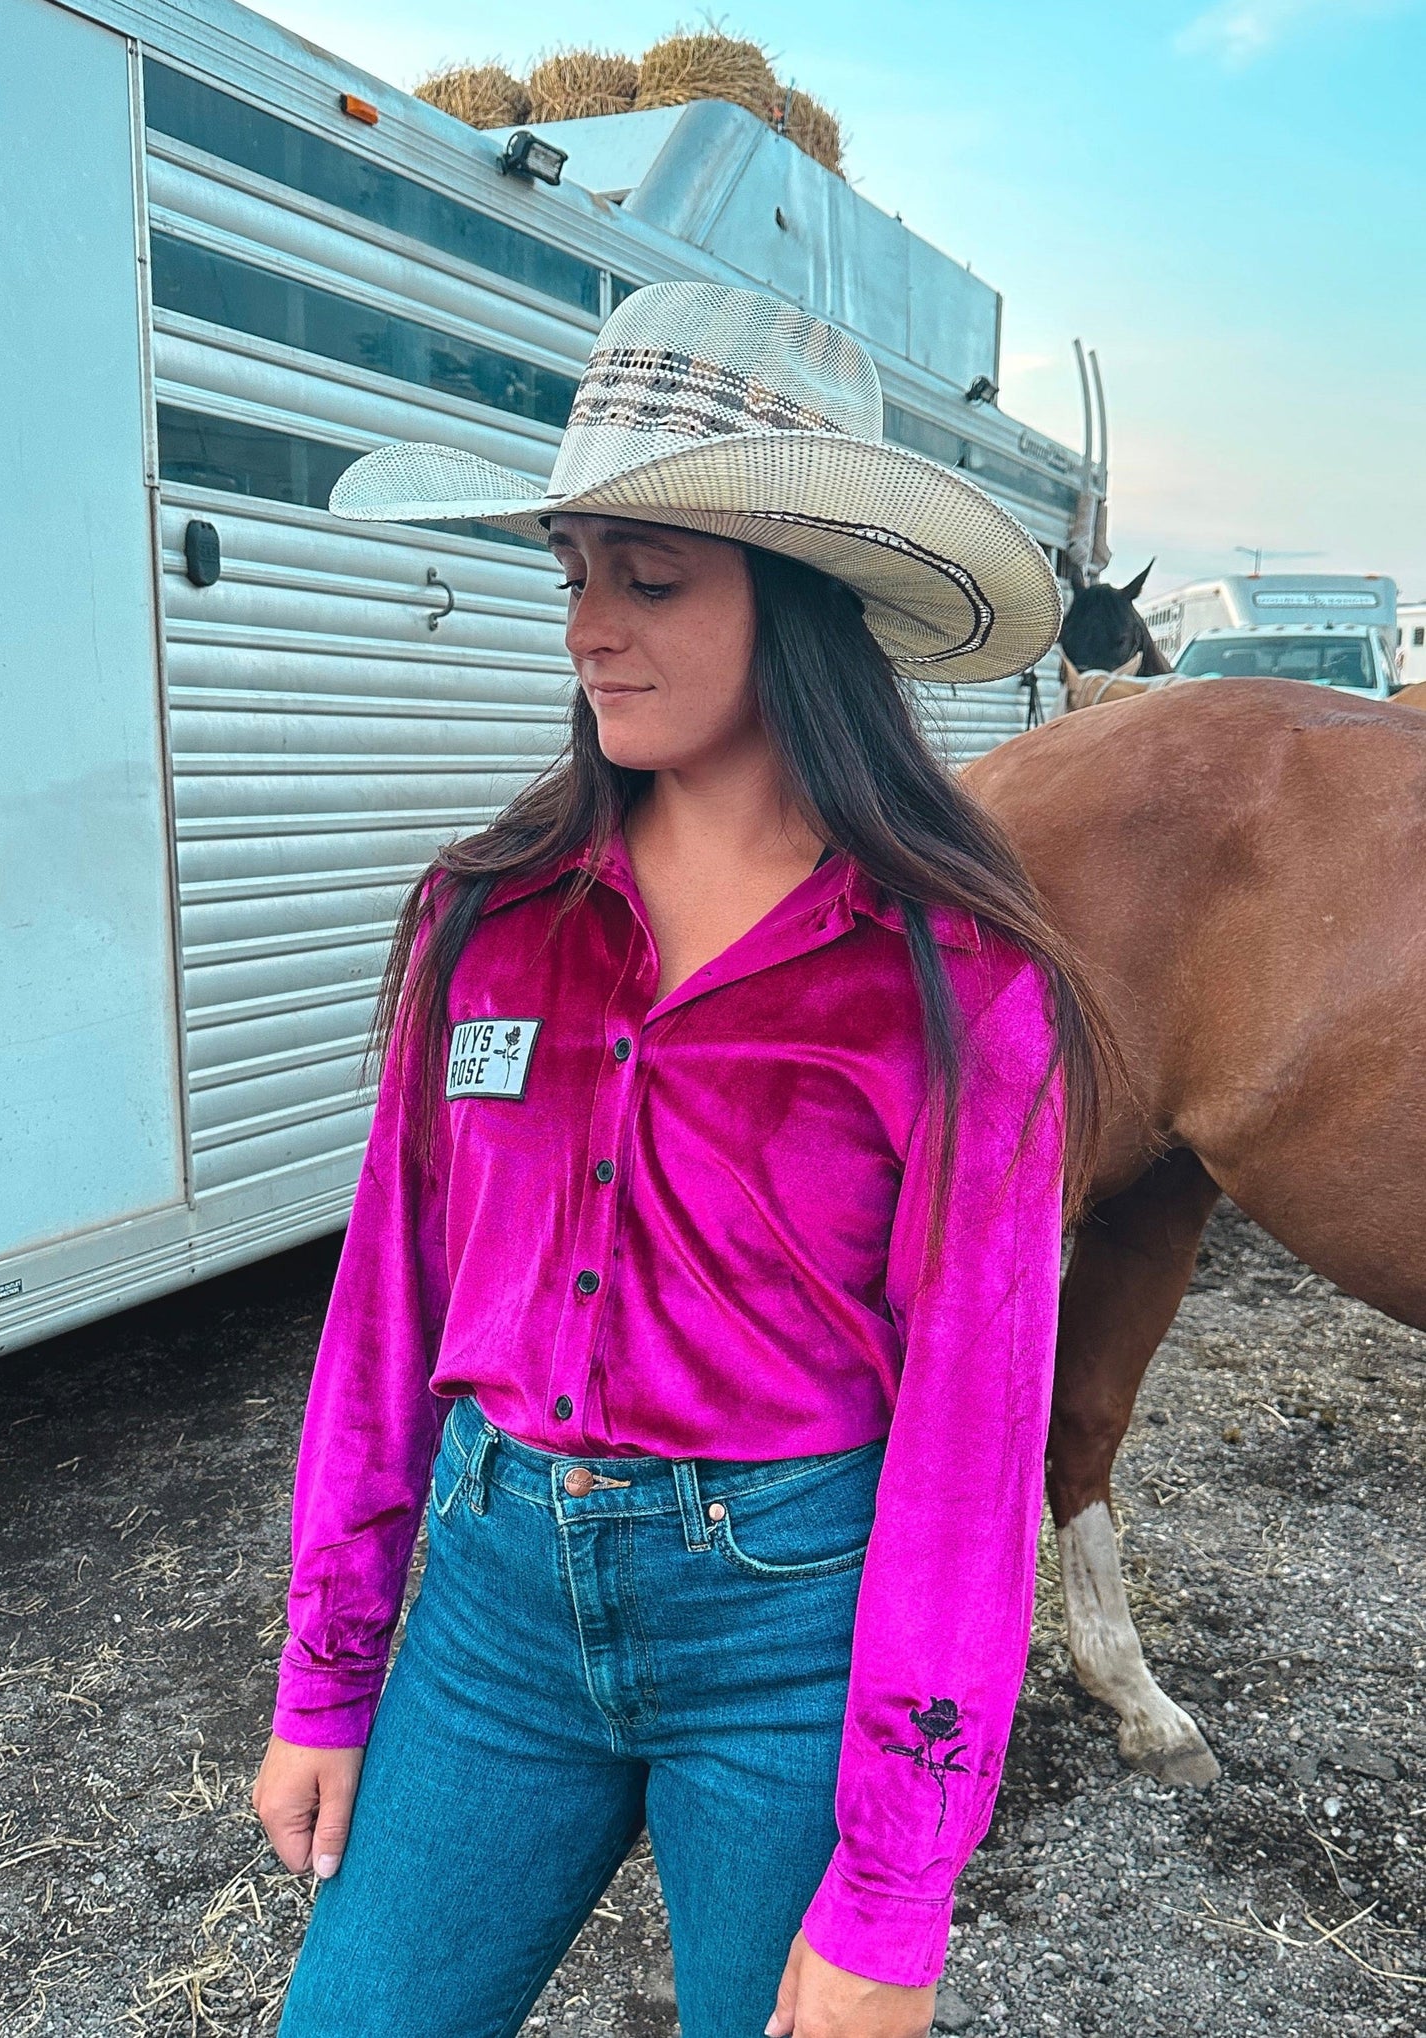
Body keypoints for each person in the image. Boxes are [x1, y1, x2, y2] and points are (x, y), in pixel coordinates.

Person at [253, 281, 1113, 2038]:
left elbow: (969, 1447)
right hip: (489, 1612)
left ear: (795, 602)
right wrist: (325, 1674)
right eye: (573, 573)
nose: (589, 628)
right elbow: (385, 1307)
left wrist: (896, 1889)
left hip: (792, 1636)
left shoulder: (954, 982)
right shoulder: (484, 916)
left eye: (647, 580)